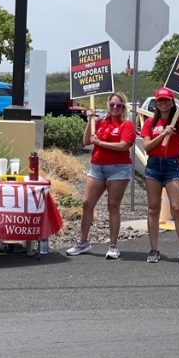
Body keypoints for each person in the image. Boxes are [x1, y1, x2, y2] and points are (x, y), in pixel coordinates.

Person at [66, 92, 136, 259]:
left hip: (118, 169)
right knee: (86, 203)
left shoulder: (127, 124)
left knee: (113, 206)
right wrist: (89, 121)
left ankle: (113, 245)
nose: (115, 108)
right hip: (97, 167)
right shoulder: (100, 122)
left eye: (118, 105)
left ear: (123, 107)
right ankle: (82, 242)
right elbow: (86, 141)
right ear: (108, 105)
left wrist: (101, 143)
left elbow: (123, 146)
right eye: (112, 105)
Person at [141, 88, 179, 265]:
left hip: (172, 167)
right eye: (160, 100)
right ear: (156, 103)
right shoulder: (149, 122)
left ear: (172, 102)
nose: (163, 103)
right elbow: (147, 147)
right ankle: (154, 249)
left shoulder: (177, 120)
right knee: (153, 208)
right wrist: (164, 133)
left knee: (177, 208)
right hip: (154, 166)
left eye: (166, 100)